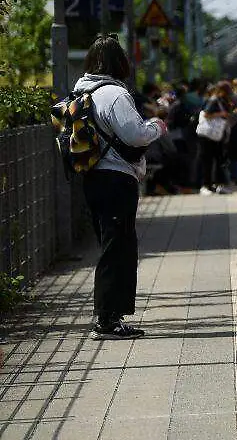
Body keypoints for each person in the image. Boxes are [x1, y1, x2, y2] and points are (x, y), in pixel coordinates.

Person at [73, 35, 167, 339]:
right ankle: (107, 320)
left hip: (93, 177)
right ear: (120, 63)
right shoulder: (114, 94)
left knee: (111, 245)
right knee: (117, 249)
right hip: (116, 178)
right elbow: (135, 135)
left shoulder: (81, 92)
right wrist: (157, 126)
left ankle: (111, 317)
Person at [197, 82, 233, 195]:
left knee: (219, 161)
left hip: (218, 136)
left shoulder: (223, 101)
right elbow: (206, 114)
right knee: (207, 161)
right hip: (208, 136)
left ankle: (218, 185)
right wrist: (221, 114)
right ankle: (205, 186)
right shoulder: (214, 100)